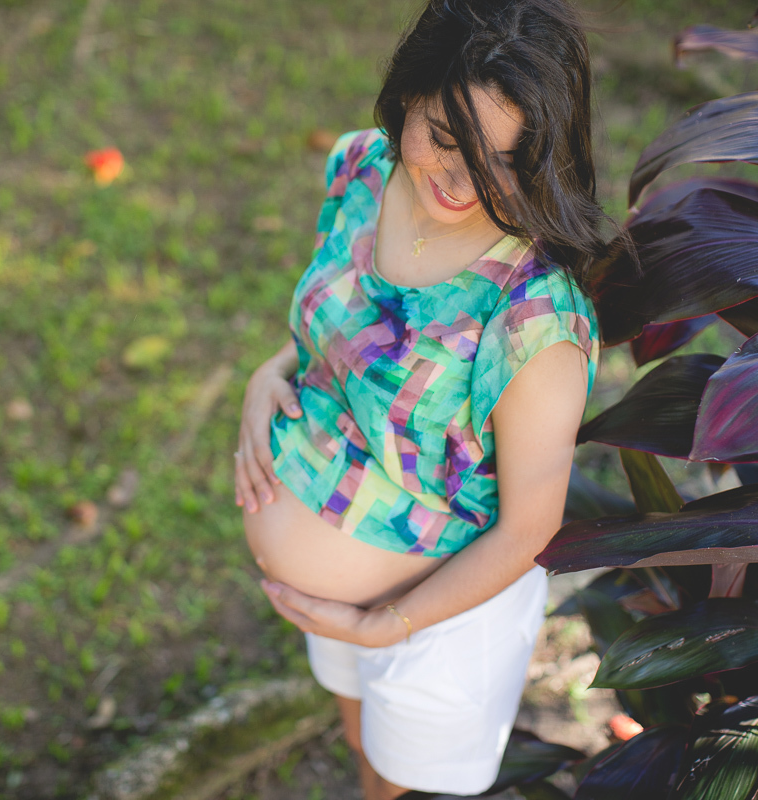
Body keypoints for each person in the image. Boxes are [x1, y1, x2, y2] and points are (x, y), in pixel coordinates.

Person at [234, 1, 610, 797]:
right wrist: (269, 376)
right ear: (407, 95)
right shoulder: (366, 170)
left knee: (406, 776)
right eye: (445, 137)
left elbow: (528, 529)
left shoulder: (533, 324)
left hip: (438, 623)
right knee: (366, 748)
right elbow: (345, 328)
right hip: (337, 583)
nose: (462, 181)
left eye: (504, 160)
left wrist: (385, 625)